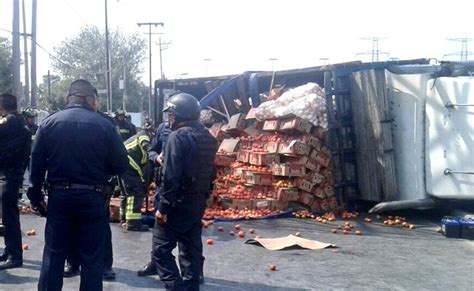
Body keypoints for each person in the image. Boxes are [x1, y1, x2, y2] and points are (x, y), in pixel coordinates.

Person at [27, 79, 128, 290]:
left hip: (59, 198)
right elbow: (121, 164)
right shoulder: (105, 126)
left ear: (68, 99)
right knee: (91, 258)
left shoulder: (49, 123)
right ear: (92, 100)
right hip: (93, 198)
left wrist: (36, 197)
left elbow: (36, 164)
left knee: (54, 254)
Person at [138, 93, 217, 290]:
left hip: (175, 204)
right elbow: (211, 172)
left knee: (161, 251)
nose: (169, 119)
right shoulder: (208, 137)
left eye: (171, 115)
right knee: (190, 249)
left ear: (180, 114)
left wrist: (163, 208)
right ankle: (191, 286)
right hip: (196, 202)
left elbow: (171, 176)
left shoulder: (177, 137)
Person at [63, 109, 119, 280]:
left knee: (101, 227)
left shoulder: (105, 122)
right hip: (71, 182)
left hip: (98, 185)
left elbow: (116, 157)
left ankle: (105, 265)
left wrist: (109, 181)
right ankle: (73, 262)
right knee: (71, 226)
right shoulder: (65, 121)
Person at [0, 93, 31, 270]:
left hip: (9, 175)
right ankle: (10, 250)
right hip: (13, 173)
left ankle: (14, 256)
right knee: (8, 215)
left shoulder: (10, 122)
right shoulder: (19, 122)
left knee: (10, 216)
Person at [120, 130, 152, 231]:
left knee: (126, 194)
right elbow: (145, 143)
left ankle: (123, 220)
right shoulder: (143, 135)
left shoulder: (133, 139)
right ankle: (133, 224)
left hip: (123, 165)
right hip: (130, 165)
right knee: (136, 193)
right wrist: (150, 151)